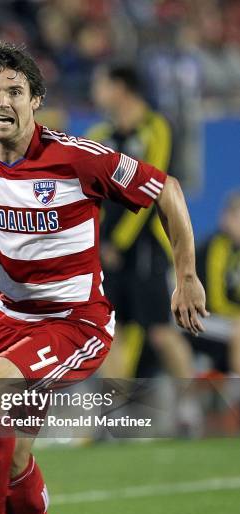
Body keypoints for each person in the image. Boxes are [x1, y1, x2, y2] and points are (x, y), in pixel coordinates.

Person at [0, 42, 207, 514]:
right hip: (12, 318)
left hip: (77, 321)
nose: (2, 101)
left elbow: (168, 190)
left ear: (36, 100)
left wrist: (185, 275)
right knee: (15, 454)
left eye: (14, 92)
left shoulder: (76, 156)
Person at [87, 64, 194, 379]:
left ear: (120, 88)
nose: (96, 92)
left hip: (146, 246)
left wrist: (117, 242)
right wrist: (98, 242)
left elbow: (151, 190)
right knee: (109, 333)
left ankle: (193, 406)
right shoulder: (99, 136)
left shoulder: (156, 127)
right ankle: (117, 418)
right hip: (106, 250)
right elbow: (89, 195)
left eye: (101, 83)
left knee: (160, 332)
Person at [189, 192, 240, 375]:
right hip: (206, 318)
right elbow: (215, 299)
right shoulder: (215, 246)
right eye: (234, 215)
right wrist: (237, 316)